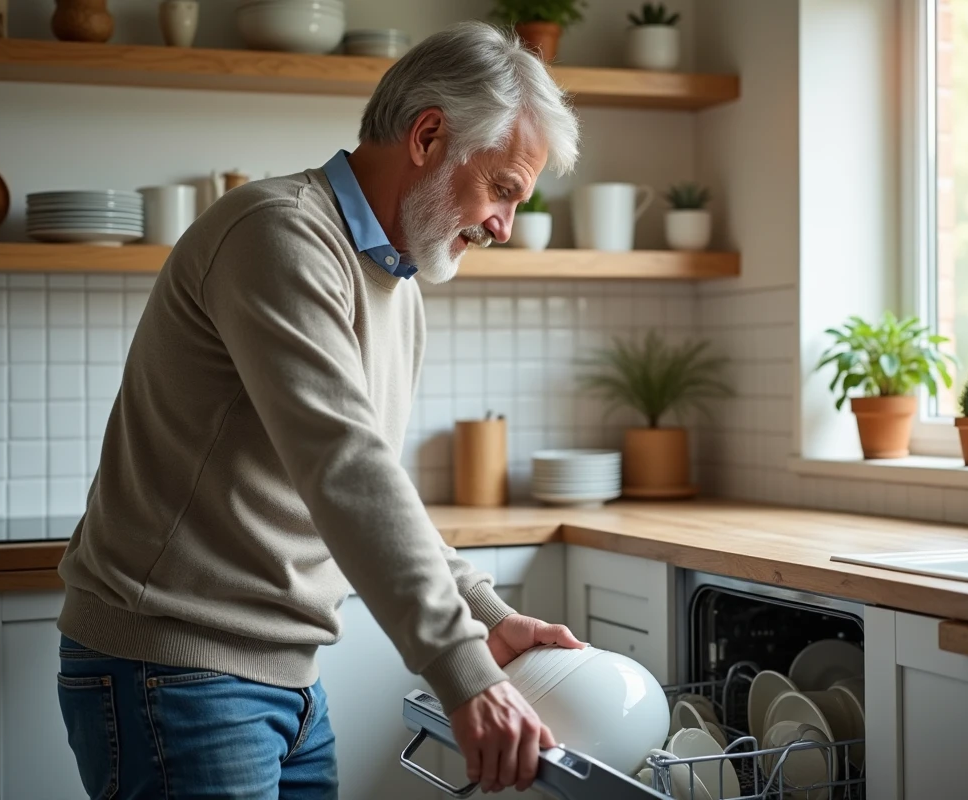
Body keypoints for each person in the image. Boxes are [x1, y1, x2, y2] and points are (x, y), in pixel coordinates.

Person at [53, 20, 583, 799]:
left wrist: (486, 613)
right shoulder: (278, 236)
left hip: (285, 679)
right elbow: (345, 472)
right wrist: (466, 673)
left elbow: (372, 486)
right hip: (173, 667)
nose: (505, 225)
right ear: (429, 135)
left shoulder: (397, 289)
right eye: (502, 189)